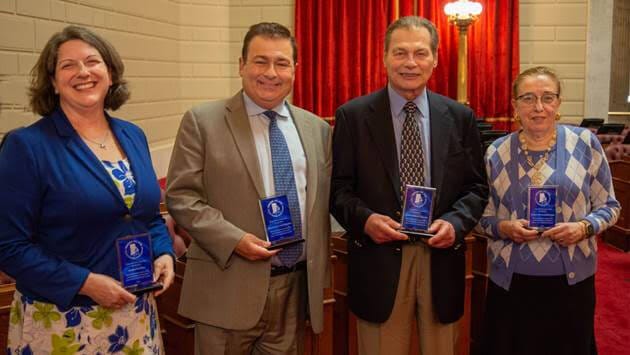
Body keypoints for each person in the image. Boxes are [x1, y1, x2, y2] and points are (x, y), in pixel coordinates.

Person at [0, 25, 175, 354]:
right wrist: (84, 283)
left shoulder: (133, 135)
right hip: (63, 320)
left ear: (110, 73)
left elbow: (146, 216)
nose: (83, 72)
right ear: (52, 82)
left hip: (136, 315)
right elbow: (8, 246)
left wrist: (163, 251)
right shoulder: (27, 146)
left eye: (92, 61)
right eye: (67, 65)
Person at [166, 22, 332, 355]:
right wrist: (235, 241)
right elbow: (181, 197)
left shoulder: (317, 129)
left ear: (295, 70)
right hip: (226, 289)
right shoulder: (203, 121)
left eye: (282, 63)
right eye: (260, 61)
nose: (271, 72)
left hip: (293, 292)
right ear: (241, 65)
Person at [330, 16, 488, 355]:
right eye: (400, 53)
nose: (410, 63)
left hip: (441, 261)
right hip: (379, 262)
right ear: (385, 57)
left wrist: (457, 223)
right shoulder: (353, 117)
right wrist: (366, 220)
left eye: (420, 53)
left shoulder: (460, 117)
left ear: (435, 59)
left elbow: (476, 187)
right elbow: (339, 190)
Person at [478, 66, 620, 355]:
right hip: (511, 282)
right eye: (528, 98)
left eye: (547, 97)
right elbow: (480, 217)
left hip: (571, 282)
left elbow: (609, 206)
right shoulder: (495, 152)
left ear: (558, 103)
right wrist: (504, 228)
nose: (538, 107)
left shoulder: (584, 144)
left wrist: (583, 227)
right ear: (514, 105)